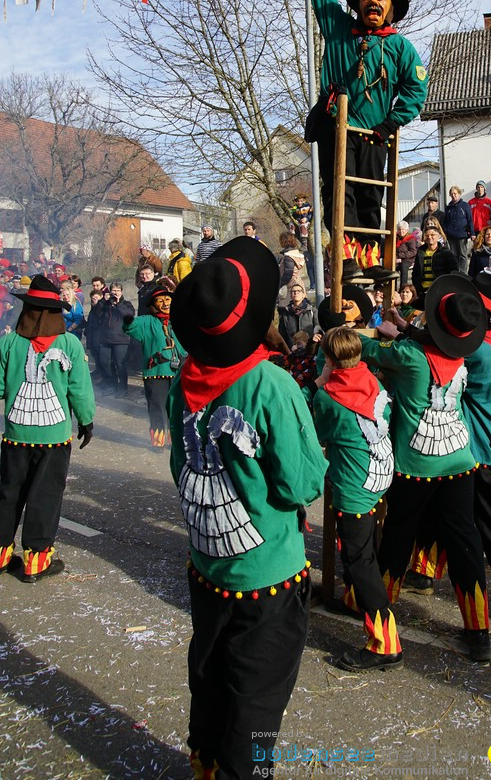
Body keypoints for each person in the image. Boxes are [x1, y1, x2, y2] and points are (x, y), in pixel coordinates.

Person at [167, 236, 327, 778]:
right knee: (256, 700)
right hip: (269, 574)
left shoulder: (183, 378)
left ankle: (204, 765)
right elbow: (303, 482)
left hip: (206, 561)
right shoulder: (270, 382)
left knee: (209, 677)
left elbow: (179, 469)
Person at [359, 275, 491, 663]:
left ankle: (380, 617)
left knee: (398, 537)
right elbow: (431, 344)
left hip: (415, 465)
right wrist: (406, 328)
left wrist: (344, 327)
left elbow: (367, 348)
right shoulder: (462, 355)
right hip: (460, 461)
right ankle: (478, 630)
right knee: (465, 542)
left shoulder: (407, 357)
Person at [290, 0, 428, 270]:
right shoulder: (339, 29)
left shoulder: (401, 48)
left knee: (371, 197)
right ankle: (346, 257)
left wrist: (390, 123)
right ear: (358, 4)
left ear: (391, 9)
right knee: (341, 194)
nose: (374, 1)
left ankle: (370, 258)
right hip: (337, 126)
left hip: (375, 133)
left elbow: (415, 91)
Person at [404, 273, 491, 619]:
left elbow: (433, 349)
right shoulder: (479, 340)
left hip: (479, 447)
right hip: (458, 447)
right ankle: (425, 570)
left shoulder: (475, 348)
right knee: (437, 511)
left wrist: (404, 331)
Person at [312, 325, 400, 670]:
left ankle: (384, 643)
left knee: (358, 560)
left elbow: (315, 430)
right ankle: (355, 599)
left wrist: (319, 381)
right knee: (366, 549)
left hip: (352, 484)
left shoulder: (328, 396)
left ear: (330, 359)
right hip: (379, 472)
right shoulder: (373, 380)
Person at [0, 275, 94, 582]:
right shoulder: (68, 343)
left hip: (15, 434)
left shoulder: (10, 342)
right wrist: (86, 420)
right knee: (45, 495)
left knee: (8, 493)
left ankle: (1, 553)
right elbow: (79, 389)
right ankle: (36, 562)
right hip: (52, 437)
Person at [123, 277, 185, 450]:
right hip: (156, 372)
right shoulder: (146, 321)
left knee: (176, 407)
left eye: (168, 299)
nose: (165, 303)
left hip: (178, 371)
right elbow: (131, 327)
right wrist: (128, 321)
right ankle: (158, 441)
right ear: (153, 303)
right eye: (160, 300)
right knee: (157, 407)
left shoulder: (180, 319)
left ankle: (176, 440)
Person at [96, 282, 135, 397]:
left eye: (118, 290)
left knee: (120, 364)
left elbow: (129, 316)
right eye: (113, 290)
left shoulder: (126, 304)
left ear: (121, 292)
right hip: (105, 339)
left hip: (121, 339)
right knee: (105, 362)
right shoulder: (105, 304)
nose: (115, 293)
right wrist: (104, 300)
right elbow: (97, 314)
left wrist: (118, 304)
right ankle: (111, 385)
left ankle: (123, 388)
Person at [411, 224, 457, 304]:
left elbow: (453, 271)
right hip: (423, 290)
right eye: (427, 235)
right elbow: (415, 271)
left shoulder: (445, 252)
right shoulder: (421, 252)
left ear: (438, 236)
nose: (429, 237)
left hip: (439, 289)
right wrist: (416, 285)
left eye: (432, 235)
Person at [443, 187, 474, 274]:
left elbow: (470, 220)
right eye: (452, 194)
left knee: (463, 255)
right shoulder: (448, 207)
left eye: (455, 193)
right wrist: (446, 231)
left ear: (459, 194)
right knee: (453, 255)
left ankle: (463, 272)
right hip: (451, 235)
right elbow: (445, 221)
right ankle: (455, 272)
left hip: (462, 234)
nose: (453, 195)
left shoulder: (465, 205)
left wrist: (472, 233)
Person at [277, 282, 316, 348]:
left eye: (299, 291)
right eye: (293, 291)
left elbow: (318, 331)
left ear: (303, 295)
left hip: (309, 349)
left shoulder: (312, 311)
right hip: (291, 350)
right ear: (290, 296)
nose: (295, 293)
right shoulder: (286, 314)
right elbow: (282, 335)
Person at [277, 231, 306, 304]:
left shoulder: (288, 256)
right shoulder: (296, 255)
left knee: (288, 309)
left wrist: (280, 284)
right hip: (299, 285)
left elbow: (288, 273)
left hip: (290, 288)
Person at [395, 221, 418, 286]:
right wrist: (396, 257)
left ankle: (403, 286)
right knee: (392, 267)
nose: (401, 231)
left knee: (403, 266)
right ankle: (393, 288)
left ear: (407, 230)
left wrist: (400, 256)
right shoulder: (395, 238)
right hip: (397, 259)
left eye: (403, 229)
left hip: (408, 259)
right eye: (399, 229)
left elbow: (413, 252)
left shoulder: (410, 239)